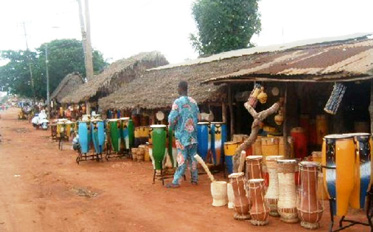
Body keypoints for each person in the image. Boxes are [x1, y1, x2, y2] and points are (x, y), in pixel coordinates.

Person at [166, 81, 200, 188]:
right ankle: (194, 179)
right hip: (193, 136)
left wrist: (171, 128)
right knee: (193, 157)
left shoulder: (178, 102)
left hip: (182, 136)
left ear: (180, 88)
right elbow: (198, 118)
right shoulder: (193, 102)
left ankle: (176, 181)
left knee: (182, 157)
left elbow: (171, 119)